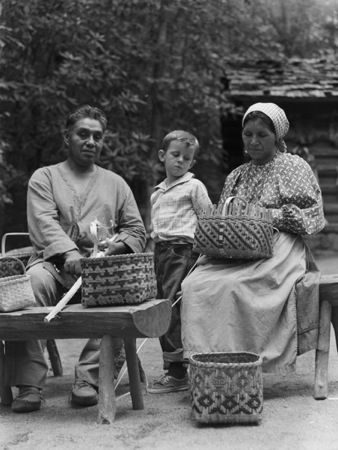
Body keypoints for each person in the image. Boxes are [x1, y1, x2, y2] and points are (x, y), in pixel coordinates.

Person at [5, 105, 146, 413]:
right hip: (54, 268)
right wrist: (69, 252)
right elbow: (44, 223)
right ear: (66, 137)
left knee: (120, 294)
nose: (90, 142)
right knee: (31, 285)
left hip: (100, 273)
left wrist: (113, 248)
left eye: (97, 136)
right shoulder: (45, 177)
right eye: (83, 134)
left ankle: (88, 378)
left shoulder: (116, 183)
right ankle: (29, 382)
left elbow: (137, 230)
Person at [181, 102, 325, 375]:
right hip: (236, 248)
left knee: (237, 285)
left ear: (277, 137)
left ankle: (246, 363)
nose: (254, 141)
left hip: (280, 246)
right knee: (195, 285)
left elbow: (313, 217)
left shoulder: (293, 166)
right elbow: (224, 218)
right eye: (248, 134)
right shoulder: (237, 174)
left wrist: (266, 216)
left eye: (262, 135)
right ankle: (210, 364)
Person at [147, 130, 212, 394]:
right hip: (160, 252)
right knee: (161, 304)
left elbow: (208, 218)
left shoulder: (194, 186)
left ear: (192, 163)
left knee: (171, 306)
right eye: (175, 155)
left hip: (183, 252)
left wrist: (205, 252)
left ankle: (176, 372)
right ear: (163, 156)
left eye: (187, 158)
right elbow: (157, 228)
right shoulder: (157, 193)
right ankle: (177, 367)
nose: (180, 162)